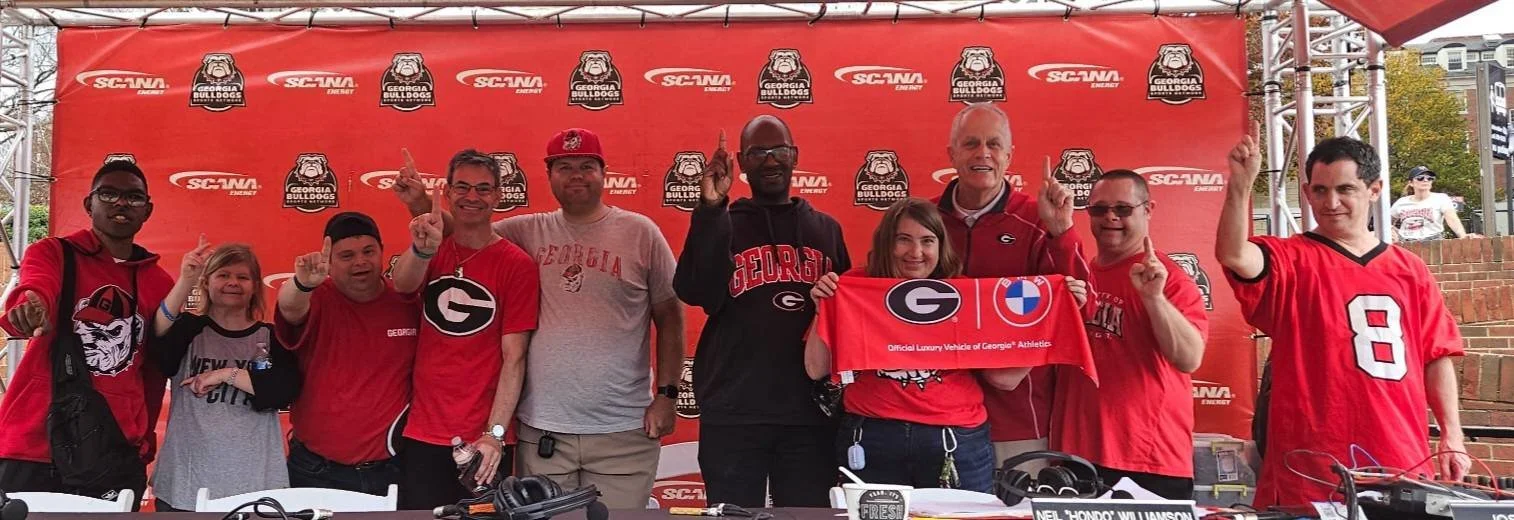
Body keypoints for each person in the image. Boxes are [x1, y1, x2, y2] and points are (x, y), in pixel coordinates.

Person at [396, 130, 685, 509]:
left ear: (604, 173)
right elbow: (465, 230)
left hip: (622, 428)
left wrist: (667, 395)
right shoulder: (526, 231)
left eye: (586, 166)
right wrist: (419, 202)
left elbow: (670, 314)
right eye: (564, 167)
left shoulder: (640, 232)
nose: (576, 175)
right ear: (549, 175)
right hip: (543, 430)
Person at [1217, 132, 1469, 507]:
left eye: (1345, 189)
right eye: (1319, 191)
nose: (1331, 203)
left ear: (1375, 189)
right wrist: (1240, 185)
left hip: (1399, 452)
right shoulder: (1291, 257)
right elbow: (1235, 254)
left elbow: (1436, 354)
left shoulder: (1409, 269)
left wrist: (1453, 435)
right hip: (1309, 462)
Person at [804, 198, 1084, 493]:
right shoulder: (854, 285)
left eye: (927, 241)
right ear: (887, 243)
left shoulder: (964, 293)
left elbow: (1004, 379)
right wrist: (823, 307)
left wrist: (1052, 320)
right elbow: (815, 368)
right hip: (873, 436)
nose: (916, 252)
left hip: (955, 441)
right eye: (904, 240)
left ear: (940, 247)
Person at [674, 116, 851, 507]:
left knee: (808, 516)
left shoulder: (827, 230)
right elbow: (693, 290)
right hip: (736, 410)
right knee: (733, 515)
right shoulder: (722, 223)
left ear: (795, 155)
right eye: (758, 152)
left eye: (779, 151)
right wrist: (710, 208)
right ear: (741, 161)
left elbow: (847, 322)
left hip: (810, 414)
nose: (771, 161)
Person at [0, 160, 173, 504]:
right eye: (108, 194)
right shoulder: (54, 253)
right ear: (88, 204)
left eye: (133, 197)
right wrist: (30, 306)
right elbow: (37, 287)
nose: (121, 203)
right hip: (34, 445)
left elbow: (152, 375)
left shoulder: (160, 283)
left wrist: (143, 443)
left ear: (147, 210)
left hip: (113, 453)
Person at [931, 102, 1088, 471]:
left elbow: (1082, 303)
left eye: (993, 144)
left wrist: (1062, 233)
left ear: (1009, 154)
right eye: (970, 144)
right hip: (935, 414)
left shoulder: (1038, 219)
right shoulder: (924, 221)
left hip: (1017, 420)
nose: (982, 153)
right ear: (951, 154)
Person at [392, 149, 539, 510]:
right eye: (462, 187)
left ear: (498, 196)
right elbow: (403, 284)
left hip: (483, 441)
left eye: (483, 189)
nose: (472, 197)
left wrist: (496, 435)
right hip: (422, 430)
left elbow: (514, 357)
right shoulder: (432, 245)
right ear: (447, 190)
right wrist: (422, 250)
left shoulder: (517, 265)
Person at [1049, 171, 1208, 500]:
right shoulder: (1080, 276)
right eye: (1099, 209)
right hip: (1077, 456)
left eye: (1123, 209)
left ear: (1147, 209)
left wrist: (1154, 299)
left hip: (1148, 462)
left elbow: (1189, 358)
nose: (1110, 218)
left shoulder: (1167, 279)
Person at [150, 241, 301, 512]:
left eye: (242, 277)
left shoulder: (271, 336)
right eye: (223, 275)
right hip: (184, 487)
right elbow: (157, 336)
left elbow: (280, 392)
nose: (233, 283)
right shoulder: (189, 329)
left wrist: (225, 375)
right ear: (207, 283)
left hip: (255, 487)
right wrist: (186, 279)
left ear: (255, 285)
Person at [274, 211, 417, 496]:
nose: (360, 261)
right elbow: (290, 309)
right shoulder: (316, 298)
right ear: (330, 261)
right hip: (316, 471)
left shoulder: (408, 302)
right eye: (347, 255)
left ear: (382, 252)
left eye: (368, 251)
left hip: (391, 470)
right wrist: (302, 284)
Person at [1391, 165, 1478, 241]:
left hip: (1433, 241)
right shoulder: (1401, 202)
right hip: (1405, 242)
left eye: (1429, 178)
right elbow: (1386, 222)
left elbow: (1452, 219)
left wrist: (1463, 236)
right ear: (1411, 183)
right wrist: (1393, 232)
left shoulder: (1441, 198)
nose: (1425, 180)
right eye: (1420, 178)